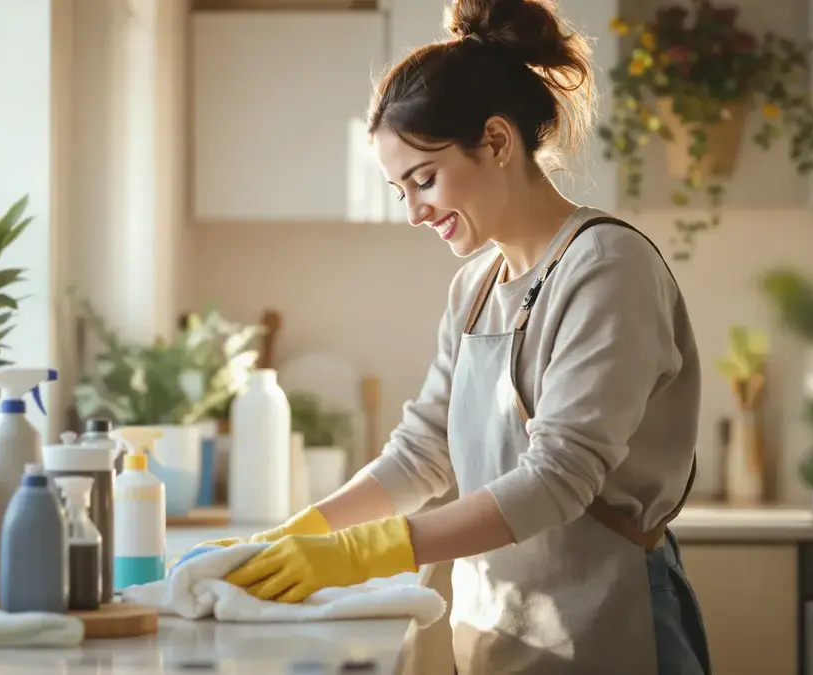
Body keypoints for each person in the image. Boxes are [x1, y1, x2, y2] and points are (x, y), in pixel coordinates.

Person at [191, 0, 713, 673]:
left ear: (496, 141)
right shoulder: (474, 288)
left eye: (424, 179)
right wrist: (304, 531)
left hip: (608, 630)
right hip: (498, 631)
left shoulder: (606, 266)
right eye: (398, 189)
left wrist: (362, 551)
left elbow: (558, 478)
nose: (413, 211)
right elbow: (421, 455)